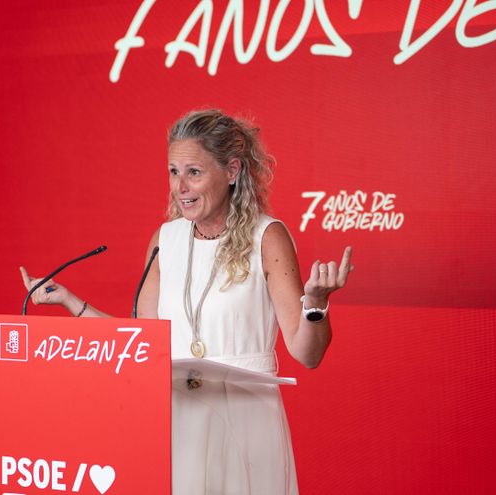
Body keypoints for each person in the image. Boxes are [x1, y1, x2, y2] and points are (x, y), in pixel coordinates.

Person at [20, 109, 353, 495]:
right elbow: (141, 344)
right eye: (173, 172)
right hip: (178, 419)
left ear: (232, 171)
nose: (180, 186)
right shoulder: (165, 240)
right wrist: (69, 300)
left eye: (194, 172)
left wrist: (315, 304)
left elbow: (307, 354)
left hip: (246, 419)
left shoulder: (268, 237)